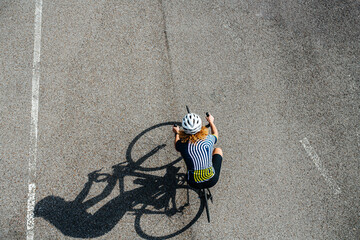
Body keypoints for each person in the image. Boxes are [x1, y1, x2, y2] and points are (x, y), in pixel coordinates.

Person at [172, 112, 223, 189]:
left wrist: (177, 133)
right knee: (218, 150)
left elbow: (176, 146)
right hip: (212, 180)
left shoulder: (182, 145)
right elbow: (215, 134)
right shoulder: (208, 139)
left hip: (193, 182)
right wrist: (211, 122)